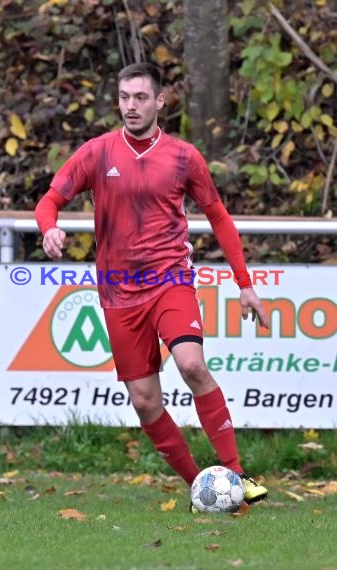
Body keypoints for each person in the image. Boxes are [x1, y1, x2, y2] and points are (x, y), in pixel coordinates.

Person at [35, 62, 269, 506]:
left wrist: (245, 284)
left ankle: (237, 475)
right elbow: (50, 200)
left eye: (140, 97)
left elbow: (218, 216)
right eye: (124, 97)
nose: (131, 106)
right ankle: (203, 487)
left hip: (170, 280)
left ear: (160, 101)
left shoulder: (184, 157)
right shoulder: (97, 153)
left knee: (192, 365)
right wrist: (49, 227)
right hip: (119, 292)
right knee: (144, 402)